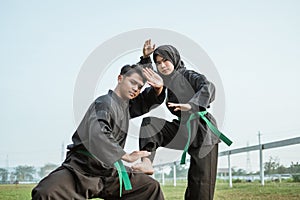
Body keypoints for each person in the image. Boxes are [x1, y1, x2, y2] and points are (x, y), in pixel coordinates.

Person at [32, 64, 165, 200]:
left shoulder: (126, 107)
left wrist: (158, 86)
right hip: (82, 170)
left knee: (150, 187)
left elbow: (145, 100)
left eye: (140, 87)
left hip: (109, 173)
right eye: (132, 83)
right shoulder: (104, 103)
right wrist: (125, 155)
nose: (136, 89)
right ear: (120, 78)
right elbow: (99, 133)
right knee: (45, 192)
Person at [133, 39, 221, 200]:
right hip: (183, 129)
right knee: (150, 124)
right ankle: (147, 162)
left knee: (200, 186)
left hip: (203, 132)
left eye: (165, 60)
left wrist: (192, 105)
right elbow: (147, 81)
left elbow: (209, 86)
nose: (162, 65)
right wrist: (145, 60)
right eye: (158, 63)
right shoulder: (165, 83)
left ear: (174, 59)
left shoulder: (188, 75)